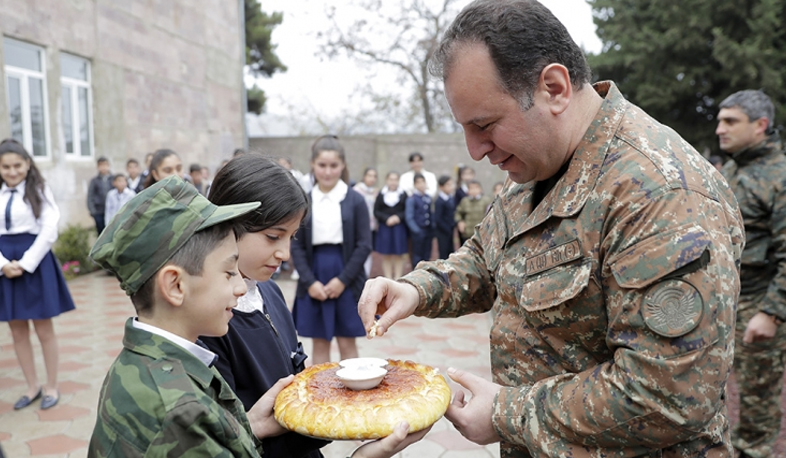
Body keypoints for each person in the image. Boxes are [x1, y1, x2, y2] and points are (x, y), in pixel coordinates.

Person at [357, 1, 745, 457]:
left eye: (484, 125)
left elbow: (668, 395)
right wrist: (418, 290)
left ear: (555, 89)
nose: (475, 150)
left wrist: (505, 412)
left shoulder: (660, 193)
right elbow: (489, 257)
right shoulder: (534, 166)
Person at [88, 176, 423, 458]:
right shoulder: (179, 409)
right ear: (175, 285)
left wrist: (248, 427)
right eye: (228, 272)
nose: (240, 287)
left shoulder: (162, 365)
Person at [199, 154, 329, 457]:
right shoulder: (208, 321)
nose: (284, 253)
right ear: (228, 224)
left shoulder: (270, 292)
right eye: (273, 237)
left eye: (291, 237)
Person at [716, 89, 786, 458]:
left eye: (730, 121)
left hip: (760, 303)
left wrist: (772, 313)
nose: (719, 129)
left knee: (758, 400)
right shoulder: (732, 168)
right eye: (719, 120)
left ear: (760, 125)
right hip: (726, 300)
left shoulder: (780, 176)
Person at [0, 138, 75, 411]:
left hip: (35, 259)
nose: (12, 171)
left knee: (44, 329)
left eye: (17, 165)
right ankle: (31, 386)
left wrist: (26, 262)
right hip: (4, 264)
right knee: (17, 330)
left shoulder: (38, 188)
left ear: (27, 164)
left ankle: (51, 386)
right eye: (6, 166)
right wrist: (3, 264)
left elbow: (49, 227)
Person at [290, 135, 372, 365]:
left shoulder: (355, 200)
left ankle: (354, 395)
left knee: (347, 340)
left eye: (333, 166)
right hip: (314, 273)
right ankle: (321, 395)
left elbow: (364, 244)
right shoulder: (304, 202)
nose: (327, 172)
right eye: (322, 165)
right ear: (312, 165)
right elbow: (295, 244)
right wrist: (310, 282)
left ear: (343, 165)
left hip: (346, 274)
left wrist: (342, 280)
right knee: (320, 342)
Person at [373, 171, 408, 279]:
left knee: (398, 254)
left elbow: (407, 210)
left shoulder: (403, 194)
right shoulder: (381, 194)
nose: (393, 182)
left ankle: (398, 278)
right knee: (386, 254)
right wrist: (386, 218)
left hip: (399, 227)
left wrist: (398, 217)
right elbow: (376, 211)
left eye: (395, 179)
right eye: (391, 179)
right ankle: (388, 277)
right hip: (385, 227)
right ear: (387, 181)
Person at [354, 167, 379, 277]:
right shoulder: (356, 191)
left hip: (371, 226)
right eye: (369, 175)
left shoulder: (376, 192)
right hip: (358, 226)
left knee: (368, 251)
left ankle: (366, 275)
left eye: (374, 176)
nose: (372, 179)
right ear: (364, 177)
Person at [405, 173, 434, 267]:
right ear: (414, 185)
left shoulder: (427, 197)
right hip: (418, 231)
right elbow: (409, 216)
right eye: (418, 182)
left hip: (428, 230)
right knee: (417, 256)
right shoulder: (412, 199)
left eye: (423, 182)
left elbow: (430, 213)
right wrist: (416, 230)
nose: (421, 185)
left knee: (427, 254)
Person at [454, 180, 491, 246]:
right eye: (471, 188)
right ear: (468, 191)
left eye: (476, 188)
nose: (474, 190)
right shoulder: (464, 201)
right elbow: (458, 213)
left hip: (482, 233)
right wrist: (460, 221)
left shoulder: (486, 200)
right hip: (467, 232)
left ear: (480, 189)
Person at [87, 156, 112, 235]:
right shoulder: (94, 181)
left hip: (112, 211)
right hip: (99, 212)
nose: (103, 167)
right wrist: (93, 212)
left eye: (105, 165)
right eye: (101, 165)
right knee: (101, 234)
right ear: (98, 167)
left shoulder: (114, 179)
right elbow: (90, 197)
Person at [434, 174, 457, 260]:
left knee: (451, 251)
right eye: (448, 185)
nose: (450, 187)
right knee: (443, 252)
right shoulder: (439, 201)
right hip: (442, 231)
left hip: (450, 229)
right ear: (441, 186)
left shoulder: (450, 198)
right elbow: (438, 218)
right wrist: (447, 228)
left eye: (451, 184)